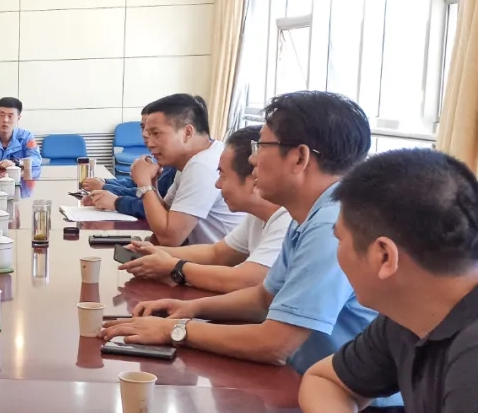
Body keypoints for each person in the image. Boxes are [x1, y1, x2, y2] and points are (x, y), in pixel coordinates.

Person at [102, 91, 379, 376]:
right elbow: (263, 299)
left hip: (344, 393)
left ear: (299, 157)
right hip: (306, 378)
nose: (254, 159)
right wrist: (189, 308)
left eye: (261, 146)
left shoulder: (331, 225)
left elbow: (275, 344)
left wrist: (174, 329)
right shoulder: (308, 214)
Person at [299, 149, 478, 413]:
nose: (338, 254)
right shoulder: (410, 313)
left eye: (340, 240)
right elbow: (323, 381)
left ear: (384, 256)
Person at [119, 126, 292, 293]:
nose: (217, 184)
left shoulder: (288, 220)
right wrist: (153, 252)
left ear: (254, 176)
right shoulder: (258, 217)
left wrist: (173, 266)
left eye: (223, 175)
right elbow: (217, 254)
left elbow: (243, 281)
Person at [88, 94, 241, 246]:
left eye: (156, 133)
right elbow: (165, 215)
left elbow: (169, 239)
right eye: (148, 134)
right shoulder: (191, 161)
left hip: (216, 261)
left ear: (187, 132)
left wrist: (144, 184)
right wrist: (152, 185)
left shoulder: (202, 166)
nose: (150, 143)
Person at [82, 167, 177, 220]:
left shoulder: (179, 171)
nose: (150, 144)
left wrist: (116, 201)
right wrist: (106, 183)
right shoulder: (171, 166)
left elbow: (154, 205)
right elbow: (137, 185)